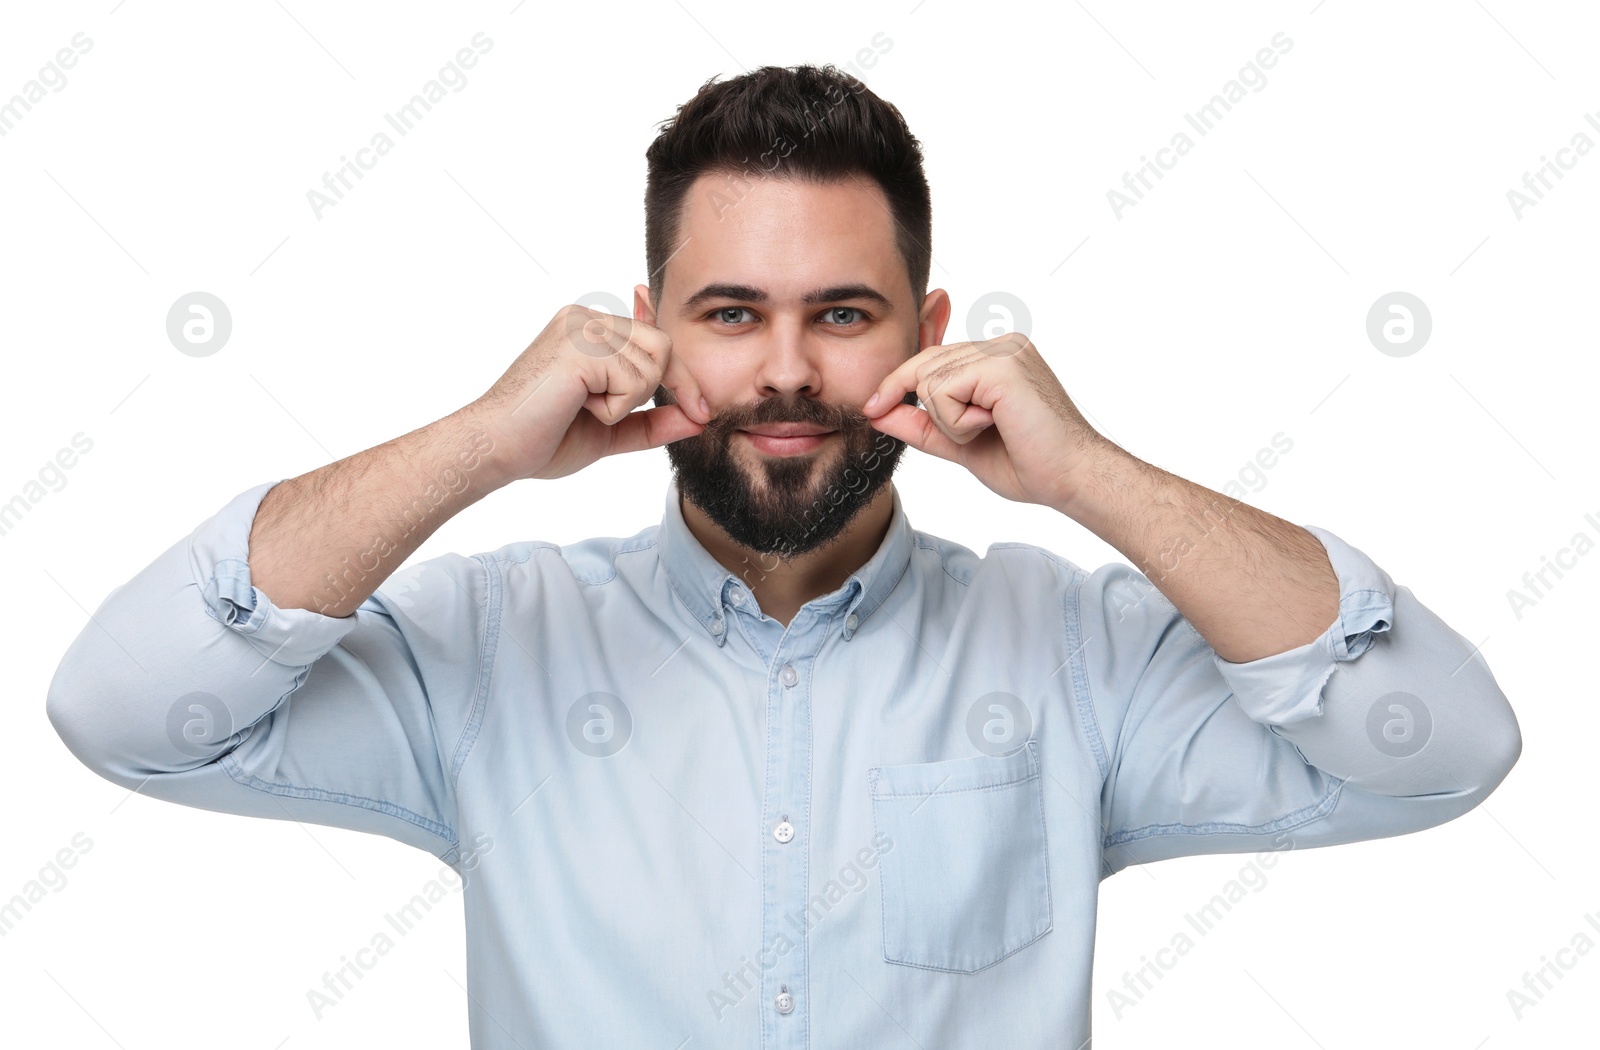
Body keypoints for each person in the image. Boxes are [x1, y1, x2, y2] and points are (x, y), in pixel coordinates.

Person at [47, 64, 1520, 1048]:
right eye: (735, 312)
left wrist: (1090, 478)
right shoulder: (491, 648)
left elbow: (1443, 748)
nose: (789, 372)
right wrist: (479, 446)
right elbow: (121, 712)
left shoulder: (1077, 653)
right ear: (646, 323)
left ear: (933, 339)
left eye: (844, 313)